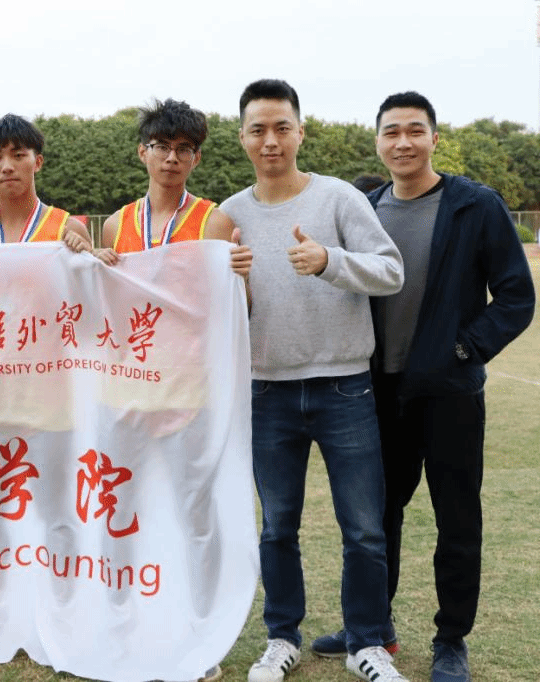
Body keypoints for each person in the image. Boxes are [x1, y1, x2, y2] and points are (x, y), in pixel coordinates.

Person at [312, 91, 535, 682]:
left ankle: (451, 638)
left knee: (456, 519)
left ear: (435, 138)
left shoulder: (474, 206)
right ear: (378, 141)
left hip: (450, 393)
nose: (403, 142)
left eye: (415, 130)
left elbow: (516, 296)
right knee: (376, 518)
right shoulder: (364, 208)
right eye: (392, 132)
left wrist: (465, 349)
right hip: (377, 393)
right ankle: (372, 628)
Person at [219, 79, 407, 682]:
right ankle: (282, 637)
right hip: (266, 390)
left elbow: (391, 271)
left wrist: (330, 261)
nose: (270, 140)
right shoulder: (228, 215)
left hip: (345, 387)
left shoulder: (339, 198)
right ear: (242, 137)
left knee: (365, 529)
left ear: (300, 131)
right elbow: (220, 314)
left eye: (282, 127)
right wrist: (234, 283)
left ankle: (366, 643)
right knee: (277, 527)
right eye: (258, 129)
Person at [93, 98, 252, 288]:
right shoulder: (115, 226)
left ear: (196, 158)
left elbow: (235, 300)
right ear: (143, 152)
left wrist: (242, 278)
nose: (172, 158)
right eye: (162, 147)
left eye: (183, 149)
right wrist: (92, 268)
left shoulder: (214, 224)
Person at [0, 114, 91, 252]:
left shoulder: (68, 230)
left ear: (38, 162)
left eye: (18, 155)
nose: (7, 167)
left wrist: (91, 255)